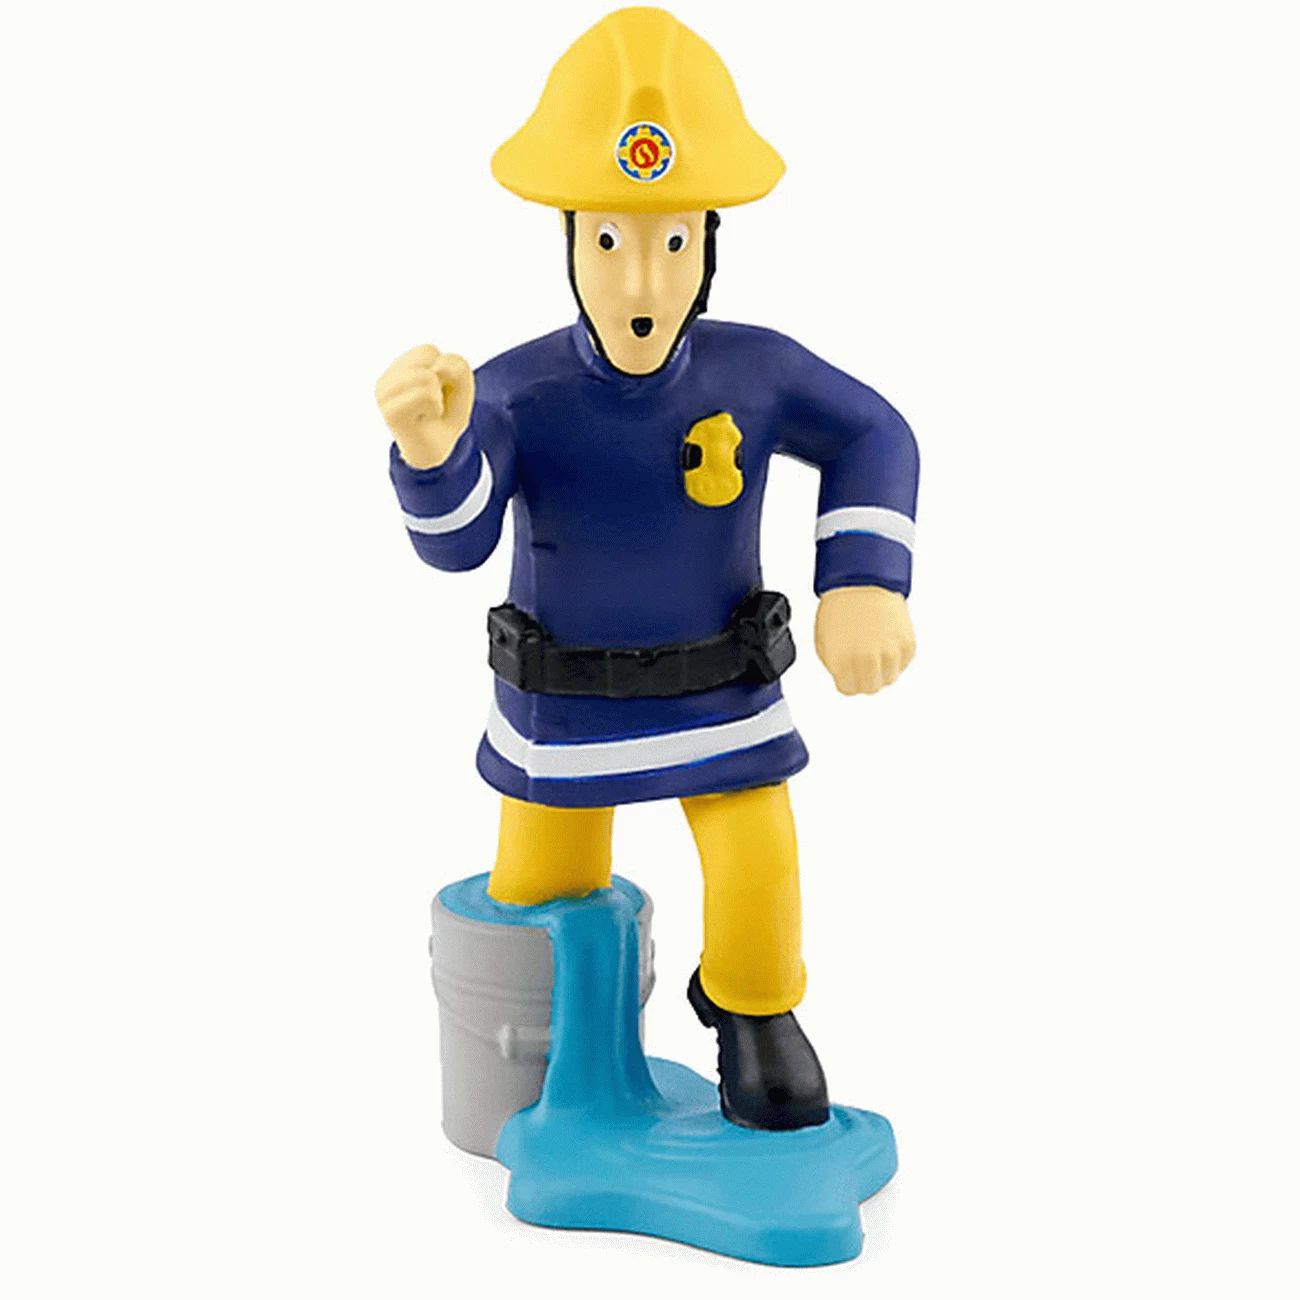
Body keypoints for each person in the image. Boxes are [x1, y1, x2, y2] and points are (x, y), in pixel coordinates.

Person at [376, 7, 918, 1132]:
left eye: (671, 245)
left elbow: (876, 432)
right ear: (569, 241)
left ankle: (754, 1011)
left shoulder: (758, 373)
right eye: (612, 243)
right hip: (561, 715)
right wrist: (432, 451)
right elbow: (459, 544)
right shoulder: (516, 391)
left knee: (757, 859)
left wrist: (863, 580)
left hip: (723, 697)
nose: (640, 284)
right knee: (541, 895)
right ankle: (549, 1056)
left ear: (710, 245)